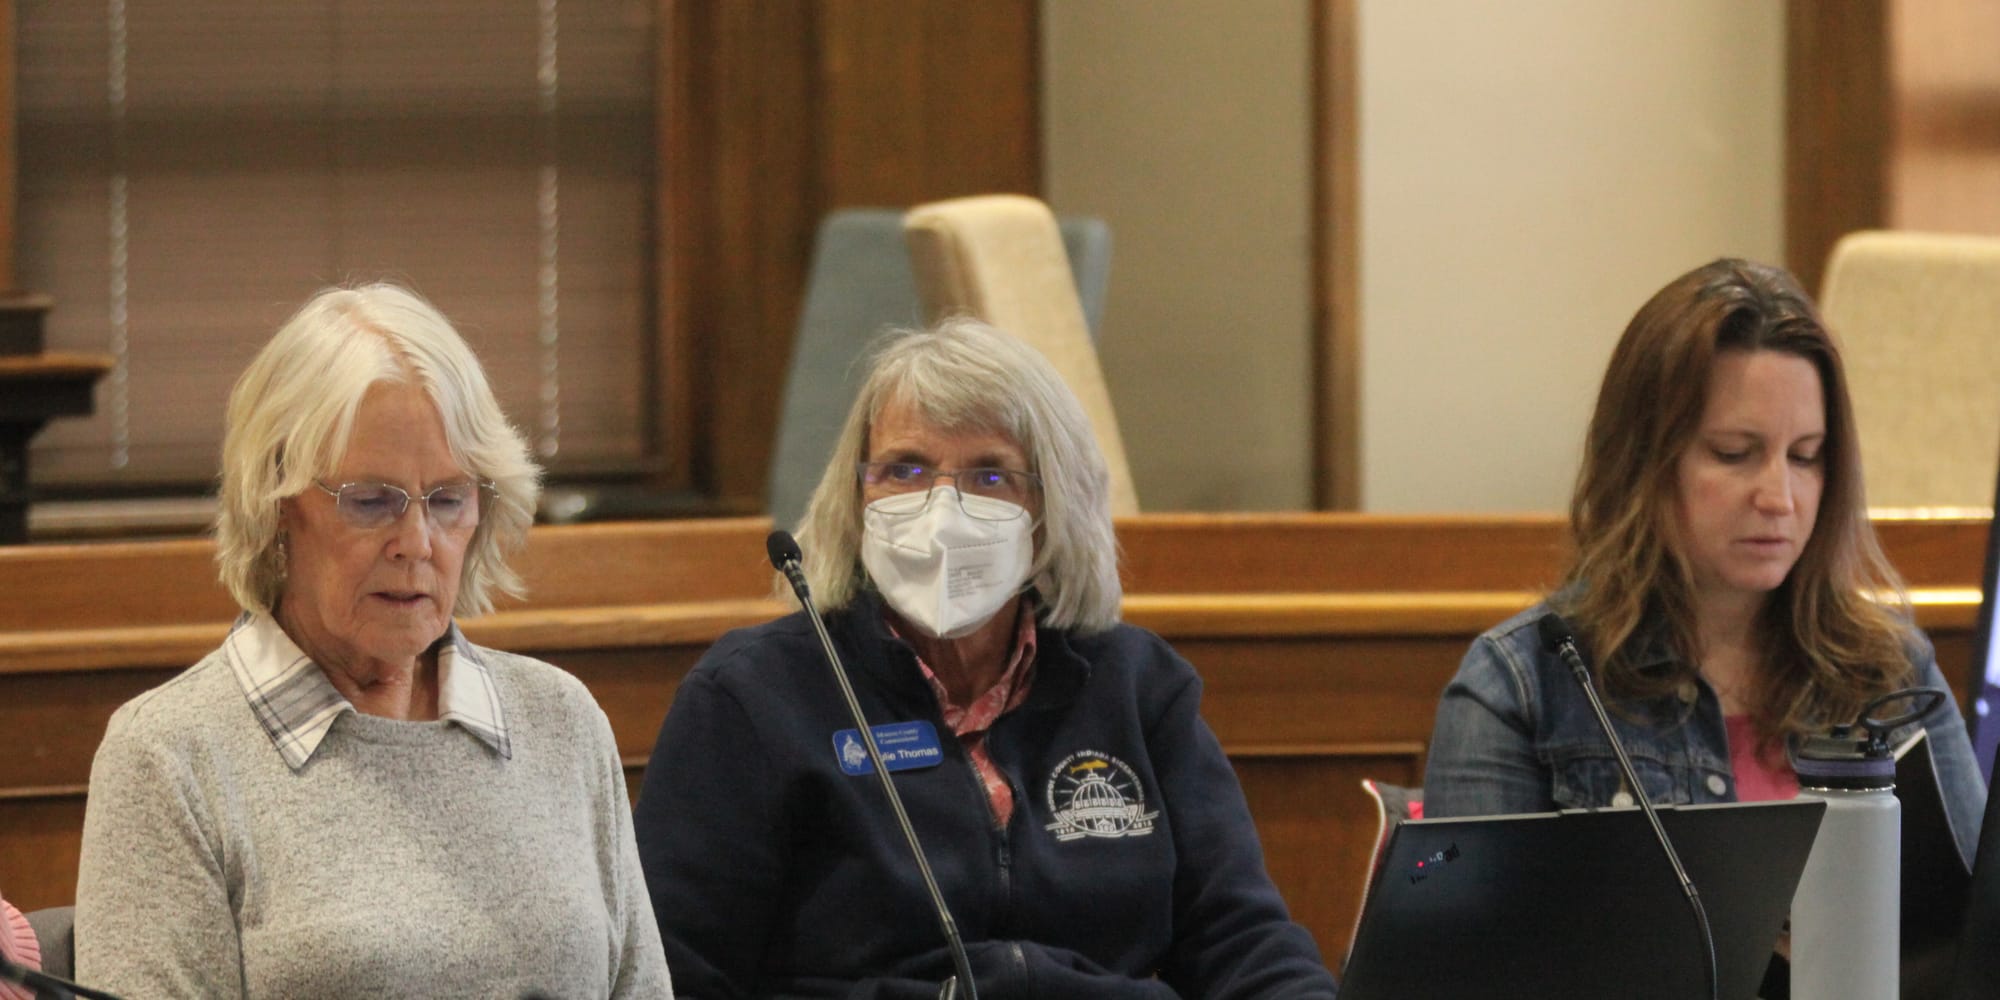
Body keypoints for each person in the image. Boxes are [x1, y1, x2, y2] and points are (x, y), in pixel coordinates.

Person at [634, 318, 1339, 998]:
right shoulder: (754, 697)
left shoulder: (1137, 686)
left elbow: (1242, 941)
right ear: (856, 493)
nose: (942, 510)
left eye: (990, 476)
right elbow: (675, 976)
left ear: (1048, 503)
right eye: (904, 469)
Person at [72, 284, 672, 998]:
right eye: (371, 501)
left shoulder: (560, 720)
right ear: (276, 506)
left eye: (448, 499)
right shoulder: (171, 756)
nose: (416, 544)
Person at [1423, 258, 1986, 861]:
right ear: (1642, 463)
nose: (1779, 498)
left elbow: (1979, 930)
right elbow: (1481, 954)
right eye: (1734, 453)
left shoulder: (1889, 667)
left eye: (1805, 457)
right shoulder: (1521, 686)